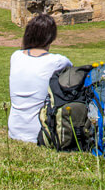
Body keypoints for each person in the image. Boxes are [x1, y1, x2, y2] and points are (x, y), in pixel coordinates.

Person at [8, 13, 71, 143]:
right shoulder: (58, 61)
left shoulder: (16, 56)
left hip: (14, 131)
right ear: (51, 37)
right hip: (41, 133)